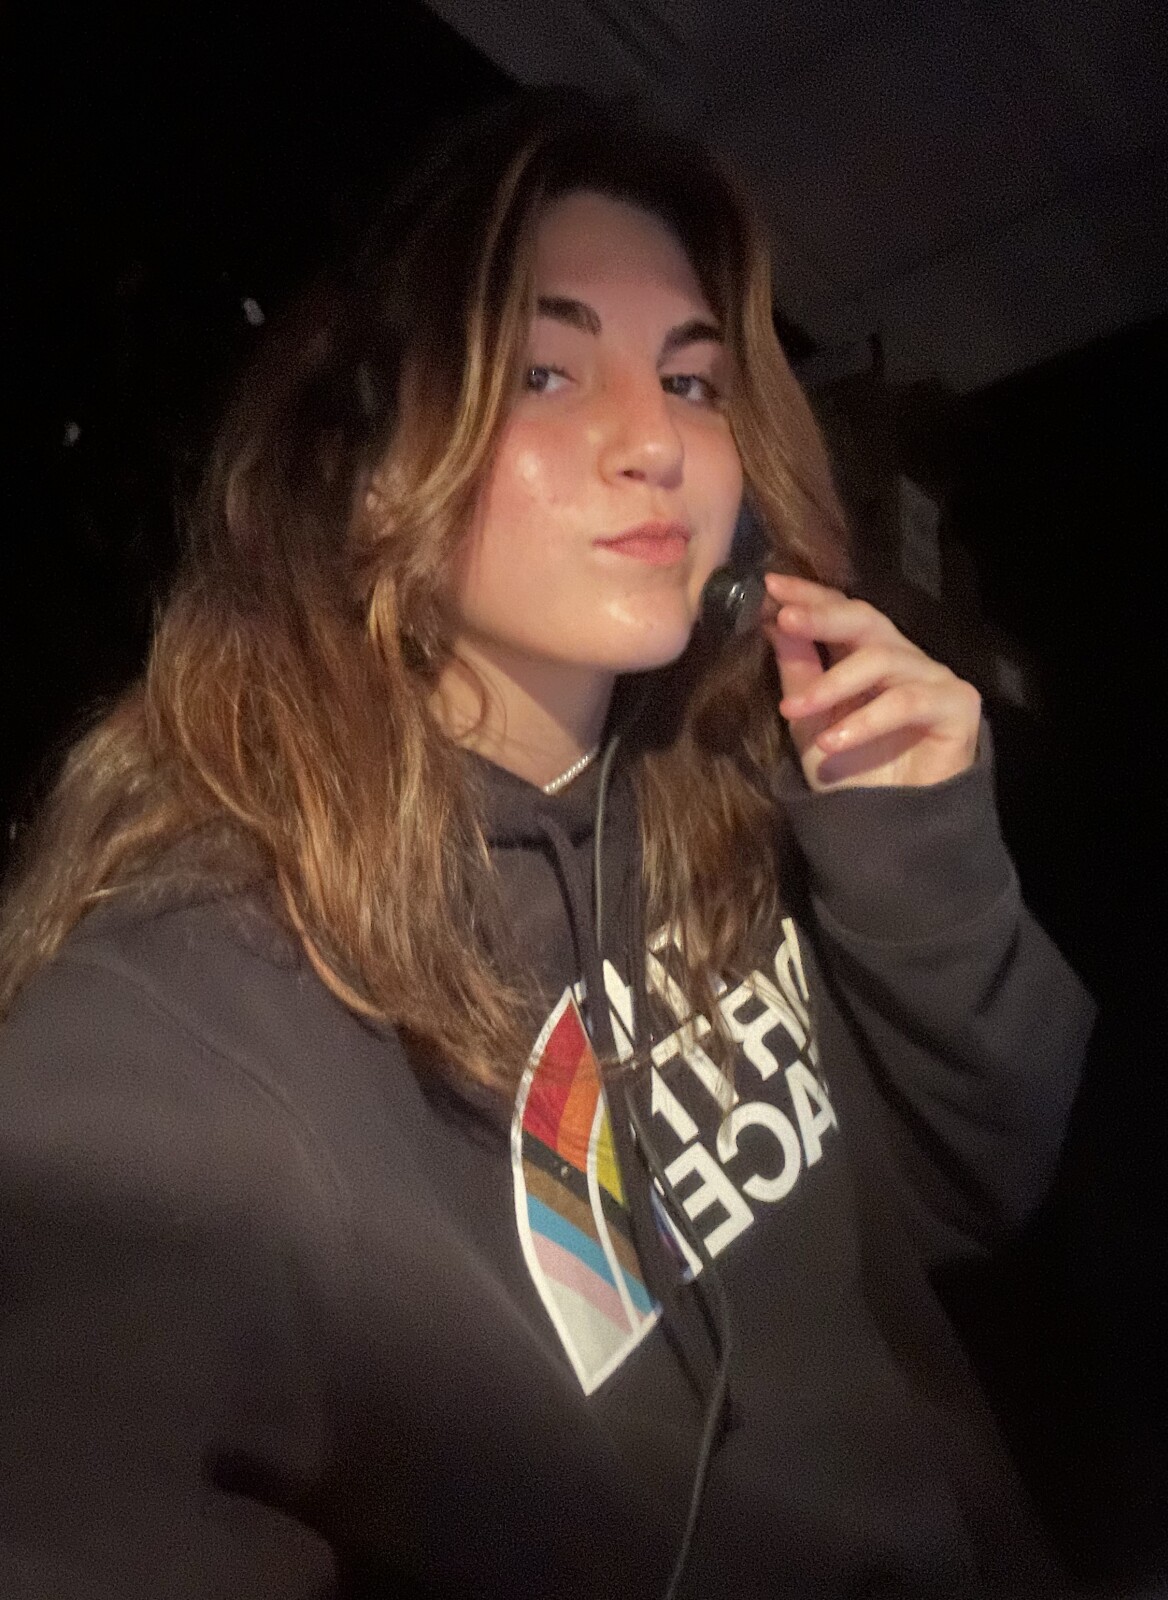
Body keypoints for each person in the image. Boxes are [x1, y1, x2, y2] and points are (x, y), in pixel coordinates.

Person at [0, 89, 1094, 1599]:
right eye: (544, 369)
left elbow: (982, 1188)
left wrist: (916, 845)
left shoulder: (733, 781)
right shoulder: (190, 1015)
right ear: (373, 464)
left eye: (693, 383)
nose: (655, 443)